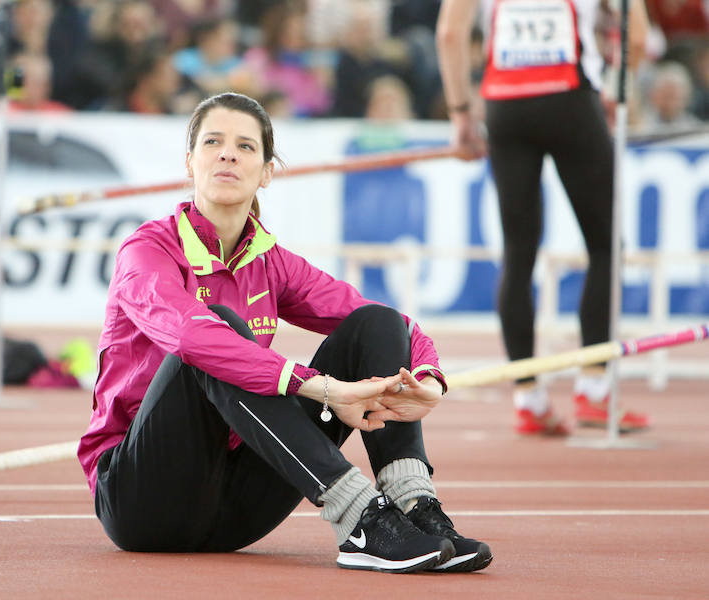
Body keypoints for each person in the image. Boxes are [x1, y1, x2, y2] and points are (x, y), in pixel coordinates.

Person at [77, 92, 493, 573]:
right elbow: (194, 339)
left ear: (267, 171)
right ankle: (360, 518)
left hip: (235, 511)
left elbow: (392, 323)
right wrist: (320, 387)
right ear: (189, 162)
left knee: (375, 323)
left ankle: (414, 505)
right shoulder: (147, 250)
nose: (228, 154)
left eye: (245, 146)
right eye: (213, 142)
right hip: (142, 500)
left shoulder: (271, 261)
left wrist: (430, 378)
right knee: (219, 332)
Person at [435, 0, 652, 435]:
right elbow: (638, 35)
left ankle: (528, 397)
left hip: (505, 106)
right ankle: (594, 388)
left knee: (518, 254)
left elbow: (449, 34)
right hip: (571, 101)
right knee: (606, 246)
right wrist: (613, 90)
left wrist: (460, 114)